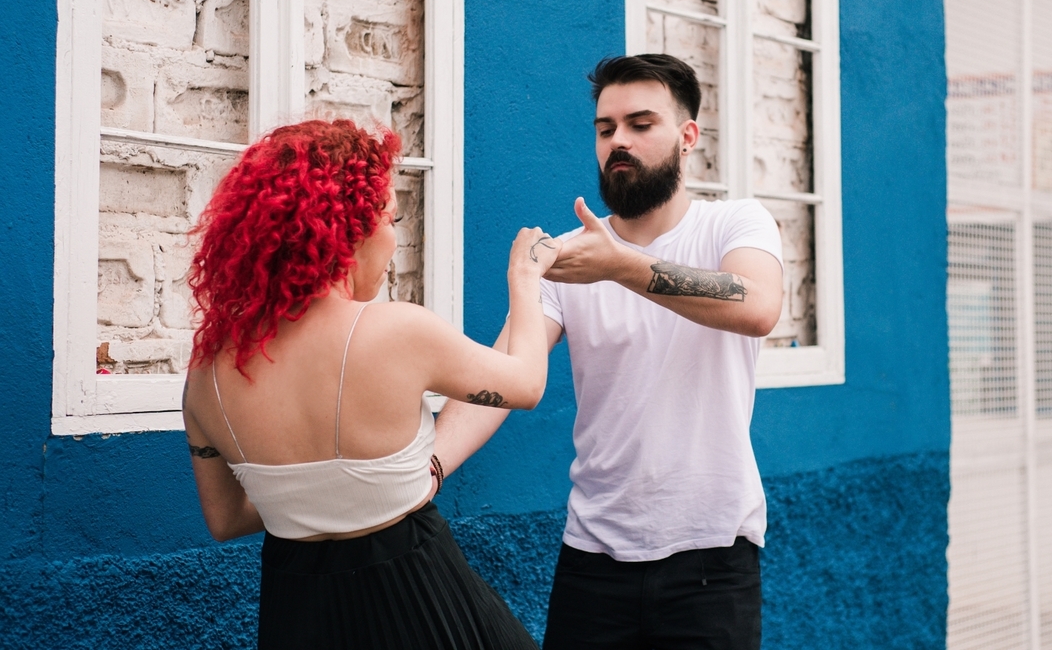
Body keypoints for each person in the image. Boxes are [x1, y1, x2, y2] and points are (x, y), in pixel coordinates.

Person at [435, 54, 784, 650]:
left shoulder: (733, 224)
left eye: (641, 124)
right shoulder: (568, 258)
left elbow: (757, 307)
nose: (618, 141)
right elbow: (501, 378)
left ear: (687, 136)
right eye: (605, 128)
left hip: (712, 558)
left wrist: (622, 267)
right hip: (592, 558)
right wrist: (428, 469)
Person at [181, 119, 557, 650]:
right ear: (349, 226)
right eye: (391, 217)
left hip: (299, 615)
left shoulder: (207, 376)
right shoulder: (395, 330)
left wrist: (322, 495)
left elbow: (225, 519)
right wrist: (525, 277)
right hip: (421, 604)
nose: (393, 237)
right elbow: (526, 383)